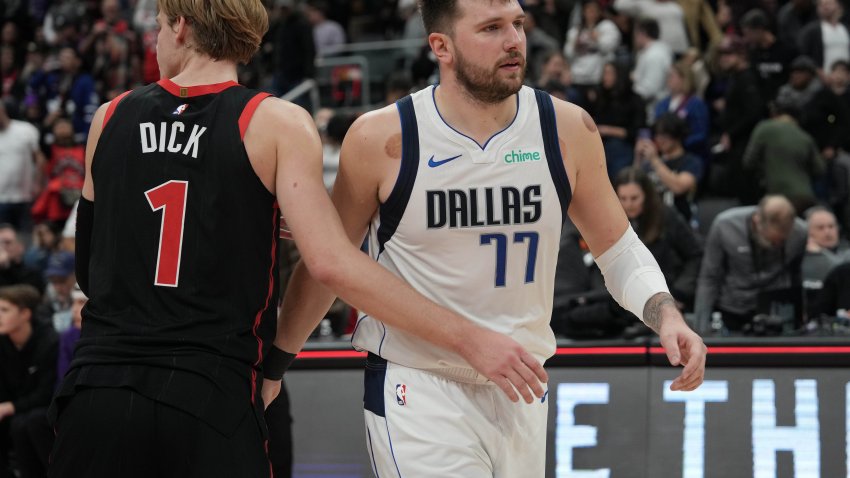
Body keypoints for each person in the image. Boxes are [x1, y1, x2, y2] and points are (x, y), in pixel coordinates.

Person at [48, 1, 566, 477]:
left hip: (99, 390)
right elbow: (331, 262)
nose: (157, 41)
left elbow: (92, 268)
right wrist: (465, 336)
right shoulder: (275, 121)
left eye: (159, 27)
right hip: (207, 393)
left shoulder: (110, 117)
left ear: (180, 25)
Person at [266, 1, 706, 476]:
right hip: (420, 386)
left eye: (517, 23)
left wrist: (664, 313)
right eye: (492, 28)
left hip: (521, 387)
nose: (514, 39)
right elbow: (326, 263)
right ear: (442, 47)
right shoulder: (383, 138)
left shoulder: (567, 128)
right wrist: (276, 364)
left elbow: (618, 252)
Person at [694, 195, 808, 334]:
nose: (775, 245)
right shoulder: (724, 226)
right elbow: (709, 277)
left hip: (776, 309)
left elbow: (796, 274)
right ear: (757, 220)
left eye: (781, 241)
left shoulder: (800, 232)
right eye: (771, 241)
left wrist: (800, 313)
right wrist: (700, 327)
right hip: (734, 307)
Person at [615, 167, 703, 310]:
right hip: (627, 300)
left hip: (667, 296)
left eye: (634, 198)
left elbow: (695, 255)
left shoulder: (666, 216)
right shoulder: (614, 220)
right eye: (623, 198)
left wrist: (679, 293)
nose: (628, 205)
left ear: (647, 196)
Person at [0, 284, 58, 478]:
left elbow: (45, 393)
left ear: (25, 314)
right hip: (14, 408)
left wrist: (11, 406)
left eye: (4, 310)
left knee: (26, 423)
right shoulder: (2, 341)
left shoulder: (49, 341)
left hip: (42, 408)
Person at [634, 112, 703, 227]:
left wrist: (655, 160)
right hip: (650, 222)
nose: (659, 140)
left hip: (680, 223)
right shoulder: (650, 162)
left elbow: (678, 187)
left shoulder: (691, 162)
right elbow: (633, 185)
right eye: (657, 135)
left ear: (677, 135)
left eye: (664, 135)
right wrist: (638, 158)